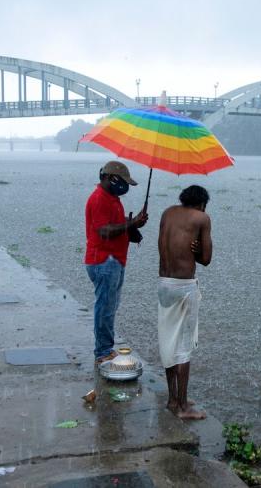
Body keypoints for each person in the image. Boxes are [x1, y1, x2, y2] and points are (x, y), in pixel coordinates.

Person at [156, 185, 212, 420]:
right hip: (184, 287)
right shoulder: (201, 218)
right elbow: (206, 259)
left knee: (168, 342)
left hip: (164, 283)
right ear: (202, 204)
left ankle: (172, 400)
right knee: (184, 346)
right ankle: (182, 407)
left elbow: (164, 246)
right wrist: (199, 250)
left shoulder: (168, 213)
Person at [84, 160, 148, 365]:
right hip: (104, 260)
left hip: (114, 260)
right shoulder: (100, 199)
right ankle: (102, 351)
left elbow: (116, 228)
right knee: (105, 306)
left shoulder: (112, 198)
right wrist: (131, 223)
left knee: (110, 306)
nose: (125, 187)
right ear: (109, 178)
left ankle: (106, 348)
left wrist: (133, 228)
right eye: (122, 181)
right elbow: (104, 231)